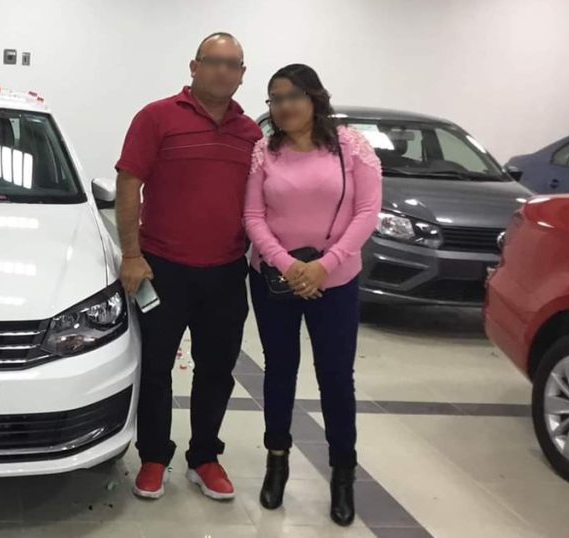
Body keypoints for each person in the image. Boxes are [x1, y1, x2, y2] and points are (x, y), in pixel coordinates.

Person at [115, 32, 262, 501]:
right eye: (214, 61)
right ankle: (154, 457)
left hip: (226, 272)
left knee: (217, 369)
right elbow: (128, 183)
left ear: (242, 74)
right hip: (162, 270)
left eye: (232, 64)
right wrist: (131, 255)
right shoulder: (157, 117)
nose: (223, 70)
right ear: (194, 67)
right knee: (156, 368)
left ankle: (204, 457)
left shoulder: (250, 133)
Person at [243, 64, 381, 525]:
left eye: (292, 96)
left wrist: (326, 265)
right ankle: (276, 461)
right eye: (275, 98)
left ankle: (343, 473)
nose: (284, 106)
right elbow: (252, 216)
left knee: (336, 377)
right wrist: (288, 265)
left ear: (314, 97)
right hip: (274, 281)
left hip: (335, 282)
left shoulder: (350, 145)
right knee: (279, 371)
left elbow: (367, 211)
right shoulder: (265, 151)